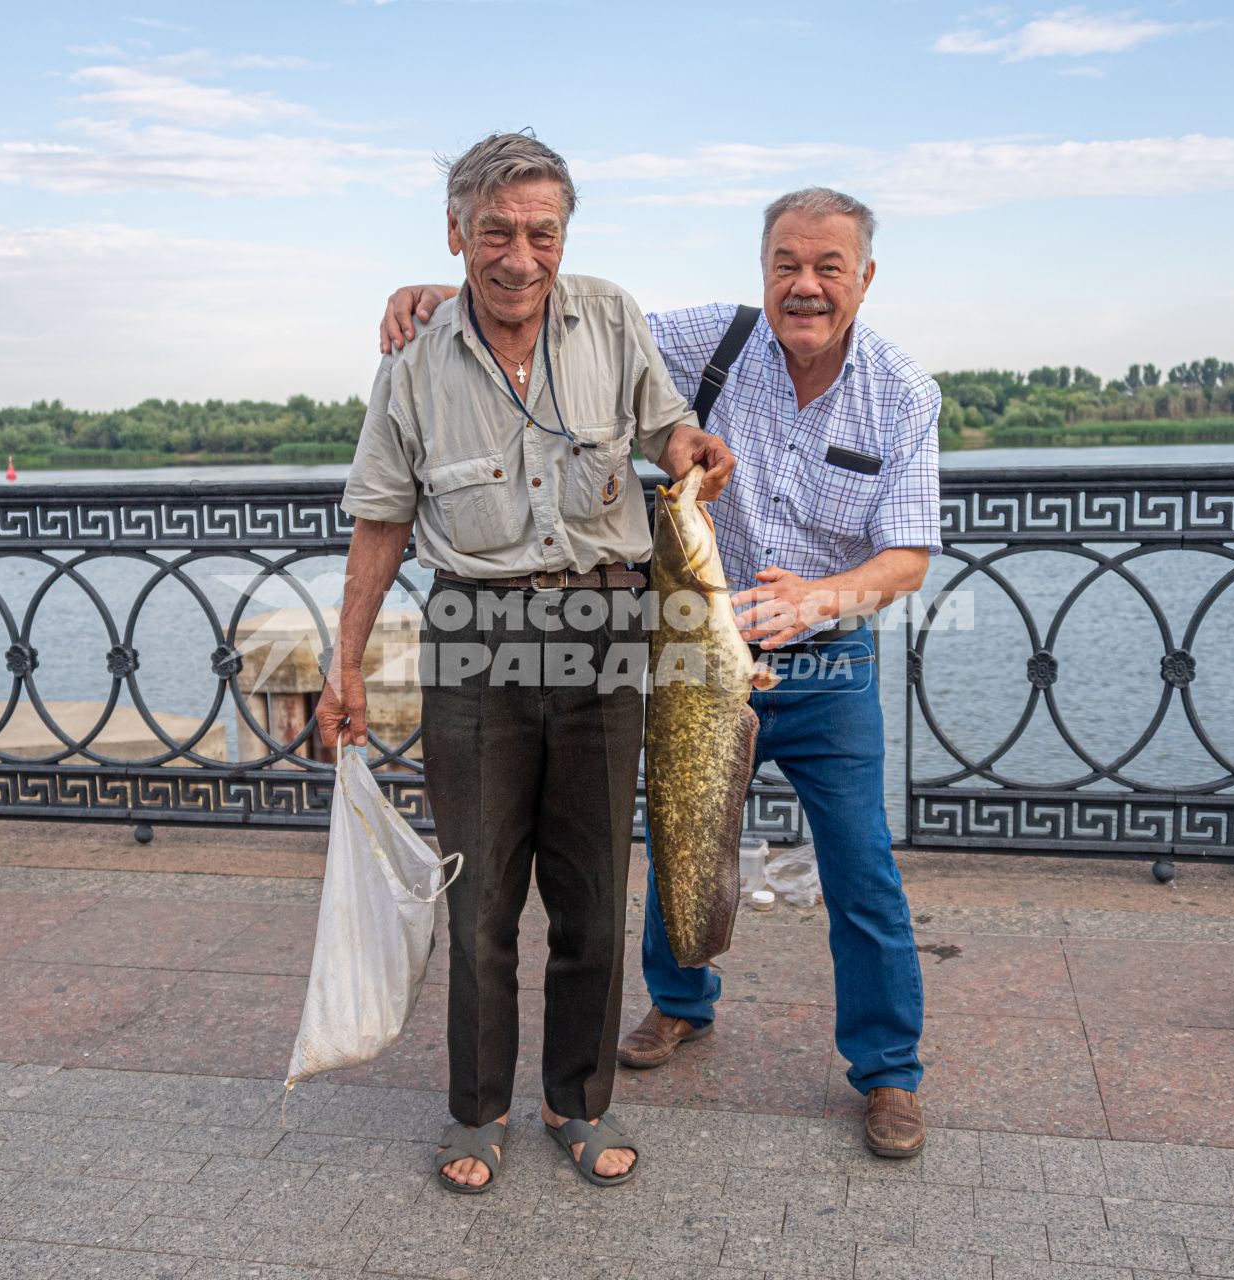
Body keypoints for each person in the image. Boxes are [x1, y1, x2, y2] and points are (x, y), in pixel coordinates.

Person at [378, 187, 942, 1158]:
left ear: (865, 277)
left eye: (827, 268)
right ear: (763, 266)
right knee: (675, 827)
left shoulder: (902, 391)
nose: (804, 287)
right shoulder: (707, 340)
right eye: (786, 265)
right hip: (688, 643)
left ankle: (887, 1071)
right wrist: (454, 286)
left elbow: (910, 557)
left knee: (861, 869)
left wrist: (819, 598)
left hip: (827, 660)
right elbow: (564, 310)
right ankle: (681, 1001)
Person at [318, 133, 733, 1194]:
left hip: (605, 631)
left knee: (594, 896)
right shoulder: (411, 362)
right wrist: (344, 664)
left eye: (539, 232)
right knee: (481, 901)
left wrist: (686, 450)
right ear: (455, 234)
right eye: (494, 231)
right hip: (474, 635)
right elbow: (380, 521)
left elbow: (665, 424)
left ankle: (578, 1101)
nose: (518, 256)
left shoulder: (609, 313)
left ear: (564, 235)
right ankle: (478, 1107)